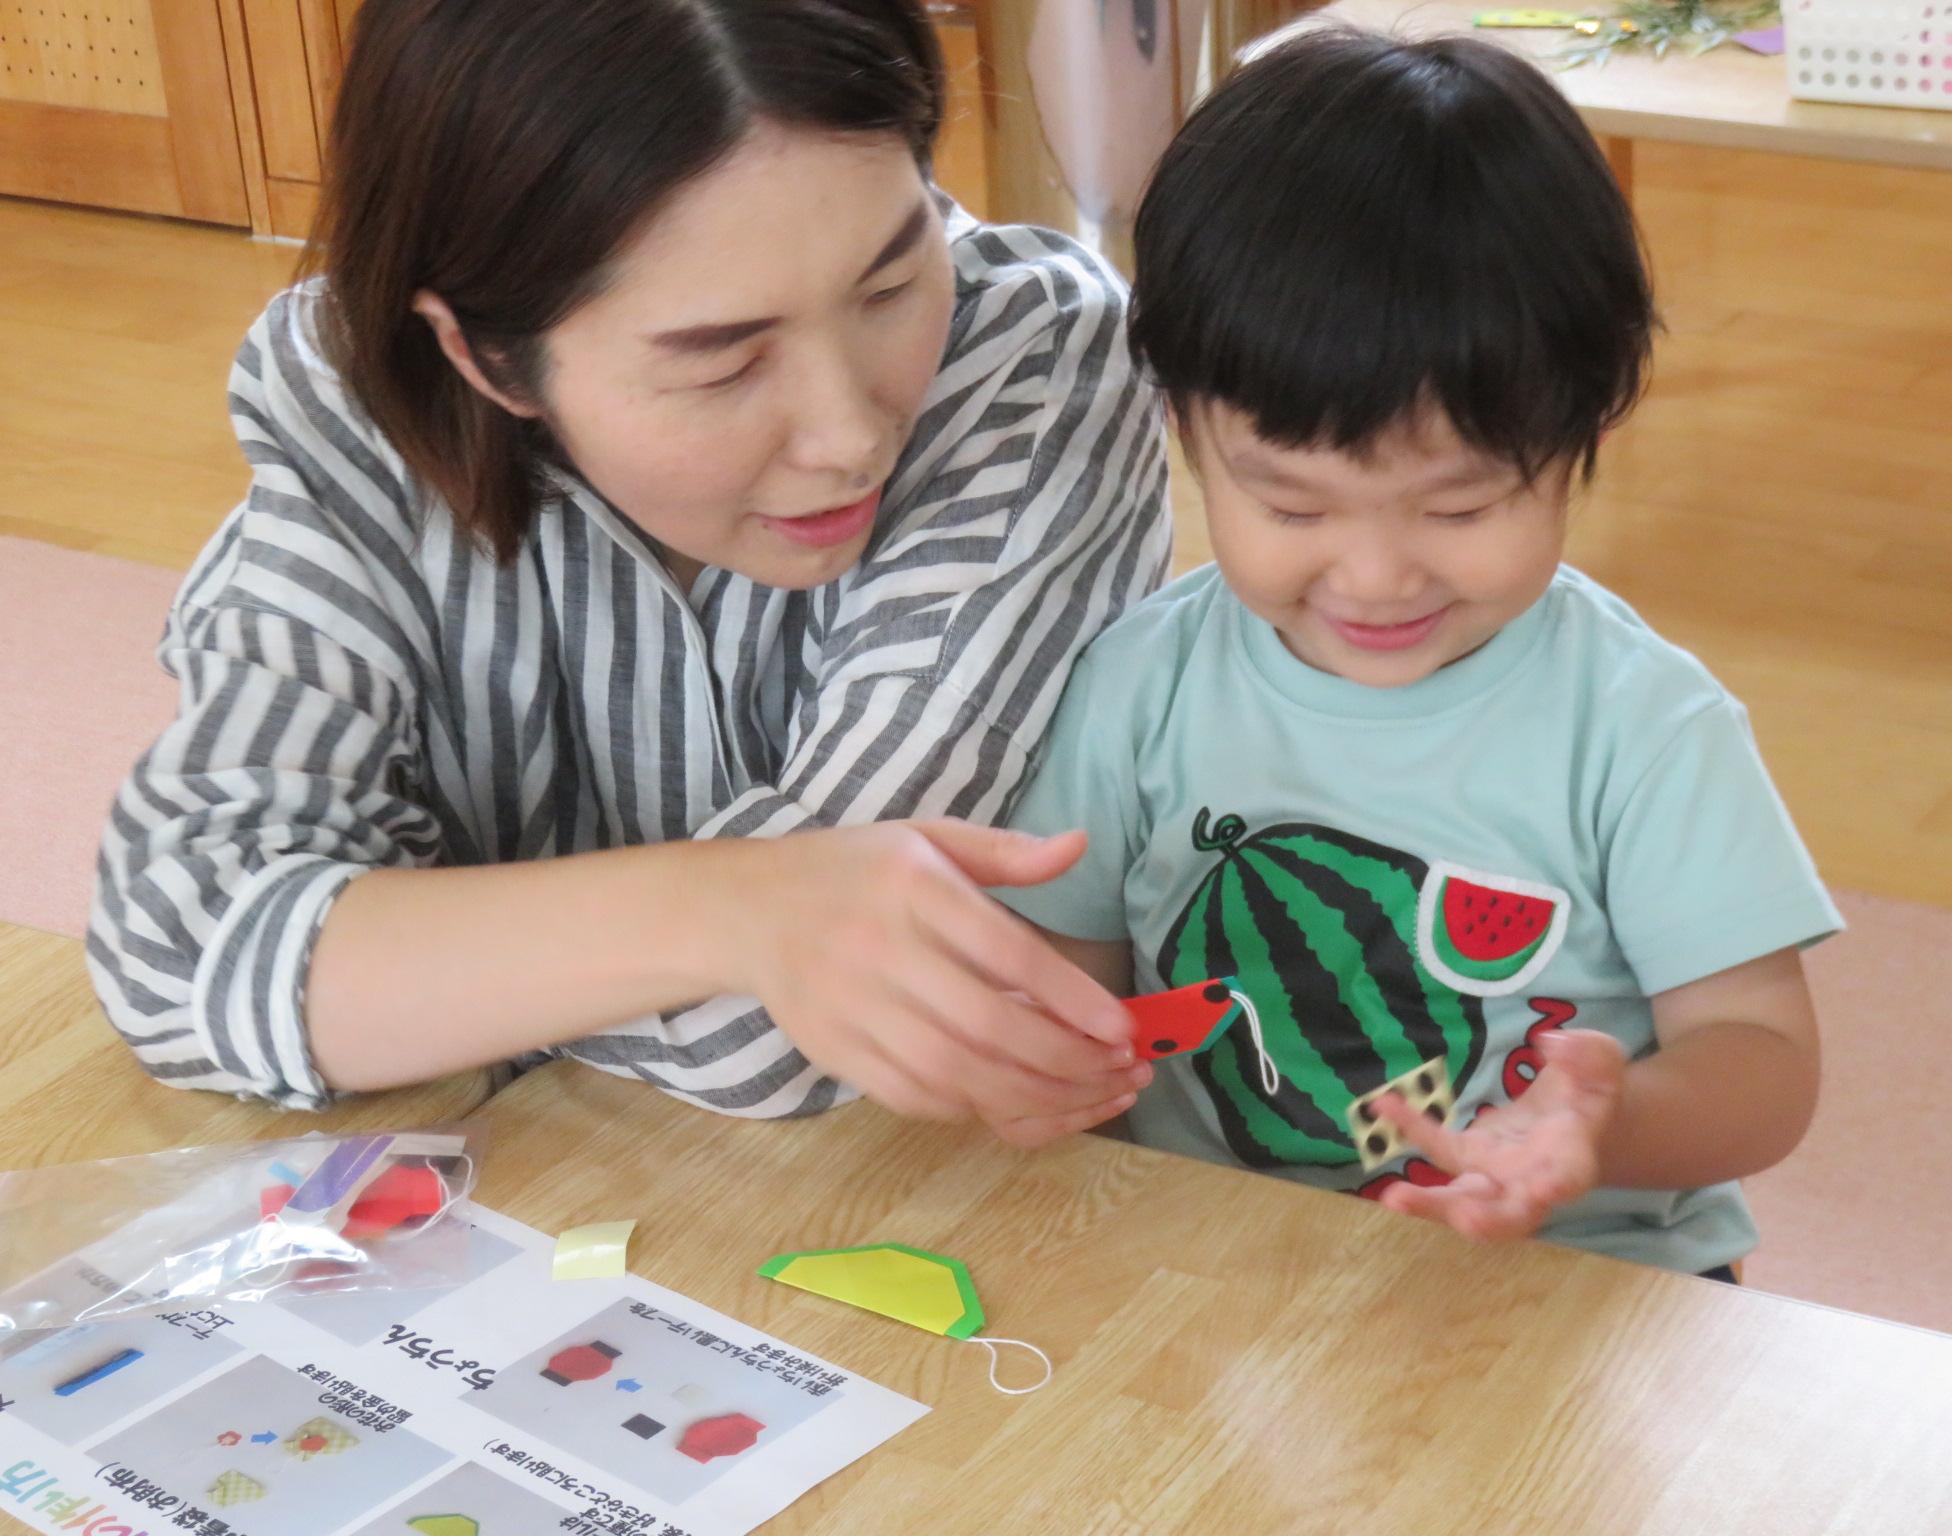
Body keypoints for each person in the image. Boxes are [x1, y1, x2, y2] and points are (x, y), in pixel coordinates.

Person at [89, 0, 1170, 1145]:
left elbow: (788, 1034)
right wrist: (739, 907)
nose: (850, 435)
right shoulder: (358, 398)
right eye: (724, 365)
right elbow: (180, 942)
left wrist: (400, 966)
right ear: (482, 355)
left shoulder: (1032, 366)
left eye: (891, 286)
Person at [996, 25, 1841, 1274]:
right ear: (1182, 427)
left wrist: (1596, 1130)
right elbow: (1062, 974)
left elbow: (1761, 1067)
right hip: (1227, 1271)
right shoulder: (1134, 688)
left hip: (1578, 1278)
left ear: (1586, 432)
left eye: (1459, 508)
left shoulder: (1643, 727)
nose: (1377, 575)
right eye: (1291, 508)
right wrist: (1037, 1058)